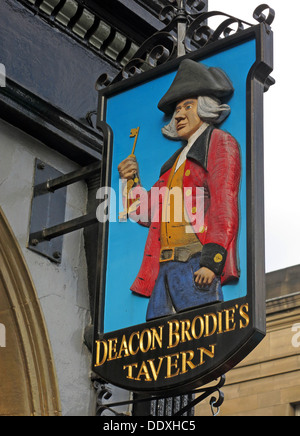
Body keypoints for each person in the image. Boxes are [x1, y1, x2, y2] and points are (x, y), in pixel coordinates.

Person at [118, 59, 241, 321]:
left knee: (201, 342)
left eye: (188, 105)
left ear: (206, 107)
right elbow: (144, 213)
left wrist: (211, 262)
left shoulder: (219, 142)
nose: (179, 114)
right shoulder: (173, 163)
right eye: (177, 109)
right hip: (163, 269)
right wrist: (130, 180)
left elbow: (224, 203)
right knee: (156, 351)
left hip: (196, 266)